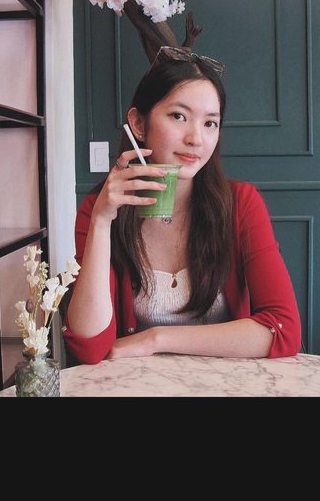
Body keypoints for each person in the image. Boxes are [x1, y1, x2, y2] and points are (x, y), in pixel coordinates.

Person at [63, 46, 301, 364]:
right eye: (179, 116)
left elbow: (283, 329)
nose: (196, 139)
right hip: (136, 385)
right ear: (138, 124)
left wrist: (156, 338)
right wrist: (102, 221)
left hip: (228, 383)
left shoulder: (241, 204)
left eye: (210, 123)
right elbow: (89, 348)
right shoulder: (98, 209)